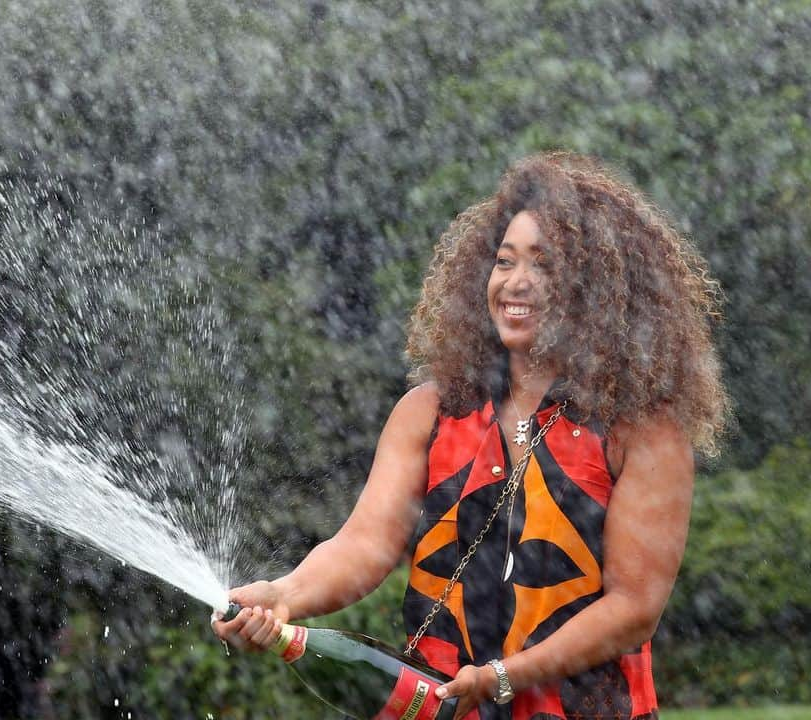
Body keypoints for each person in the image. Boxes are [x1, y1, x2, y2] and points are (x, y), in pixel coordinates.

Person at [213, 152, 727, 720]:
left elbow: (634, 608)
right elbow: (366, 544)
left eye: (545, 265)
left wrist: (505, 678)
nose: (517, 282)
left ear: (596, 290)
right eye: (504, 262)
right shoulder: (430, 412)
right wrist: (283, 595)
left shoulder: (643, 432)